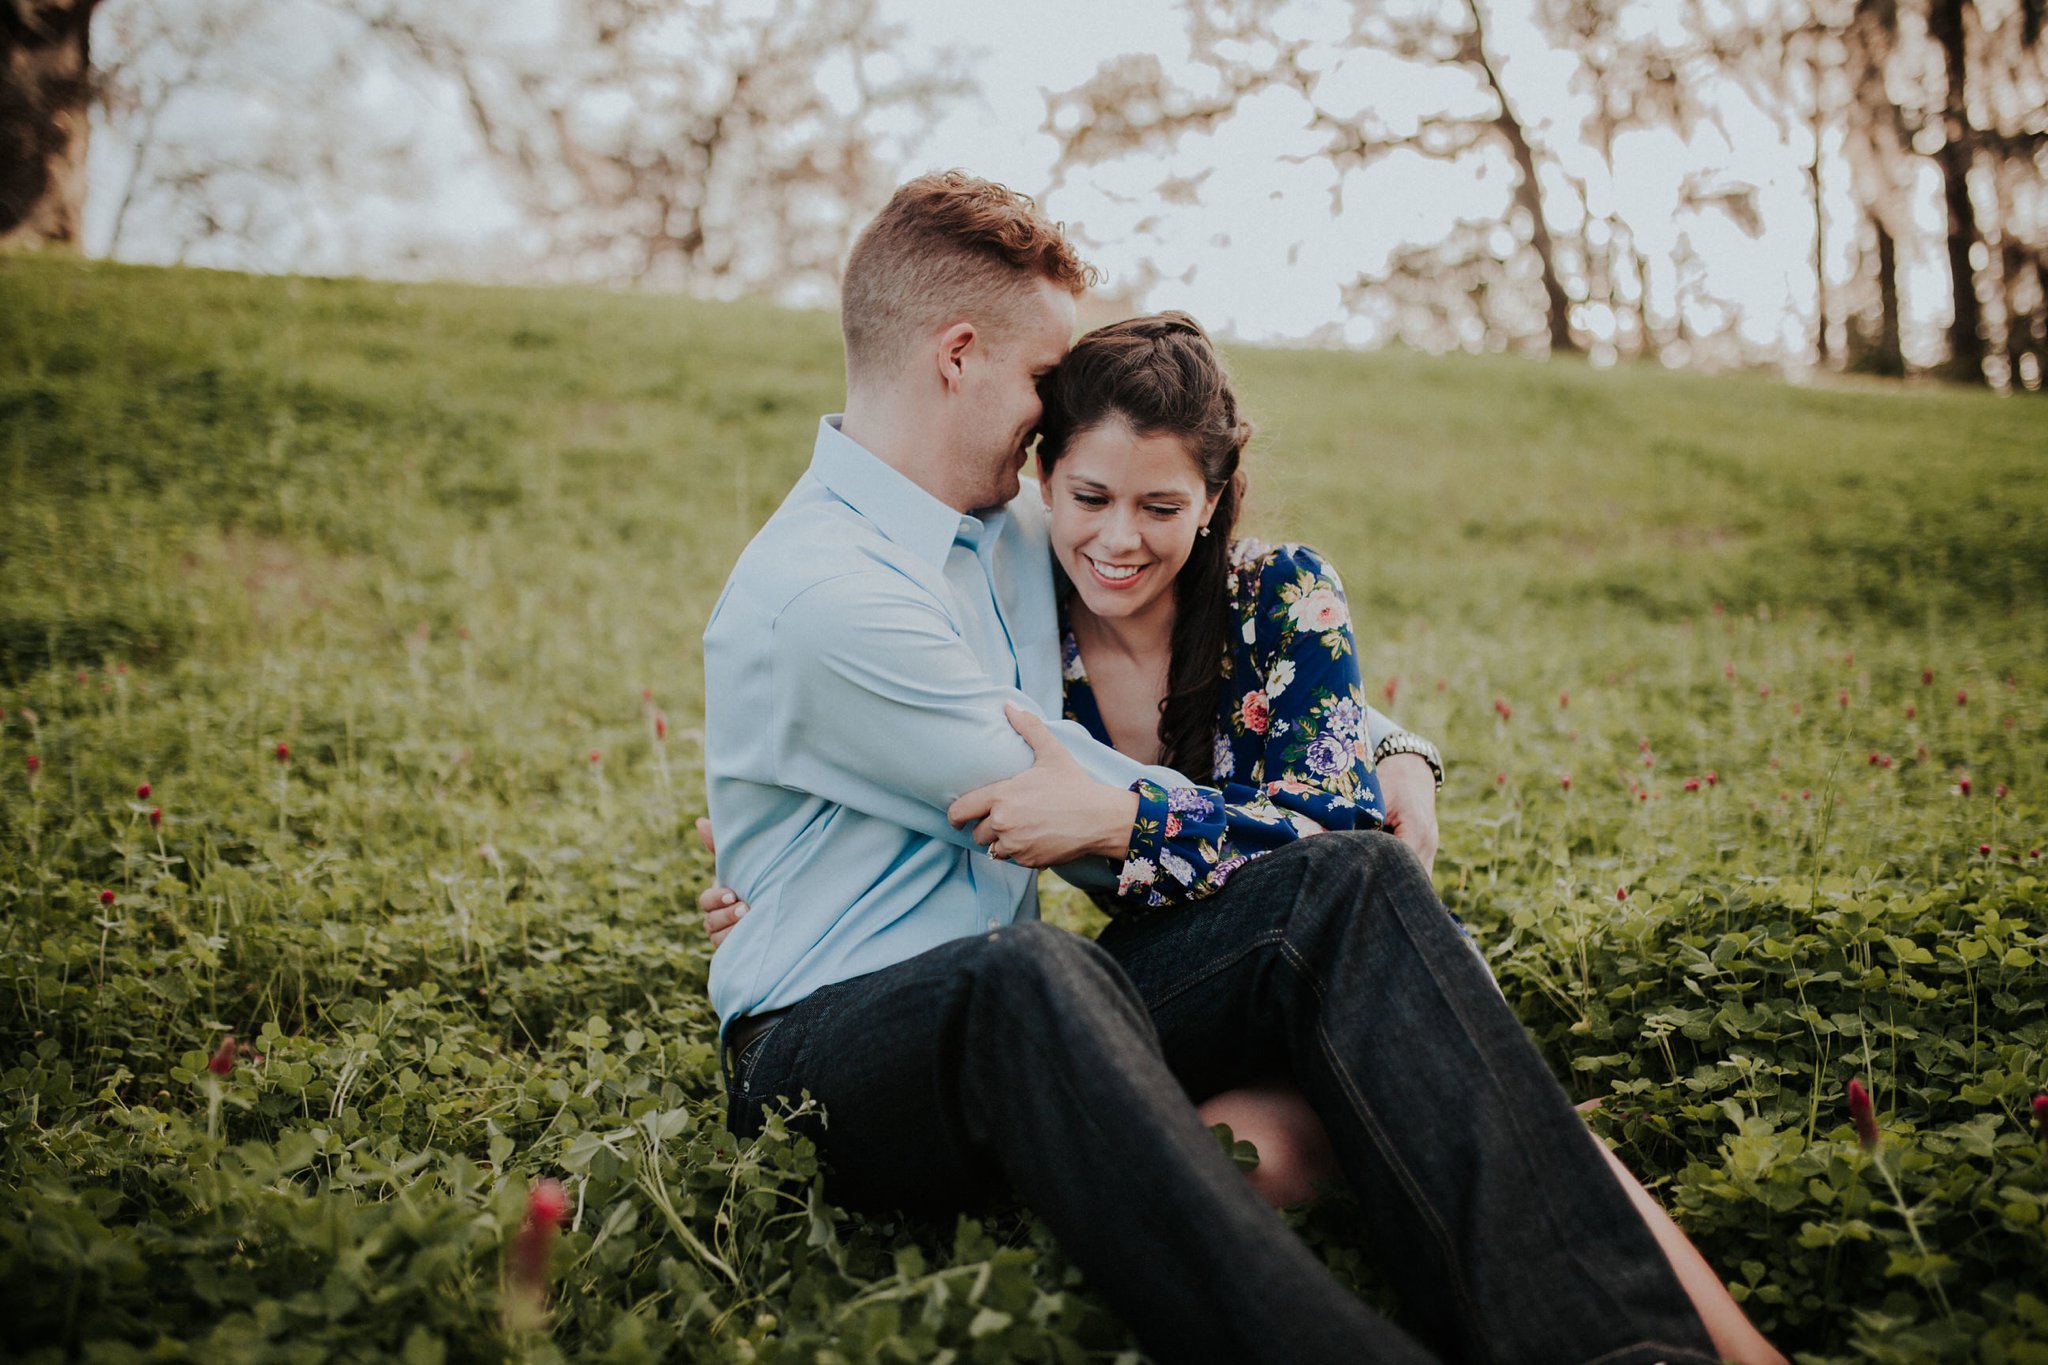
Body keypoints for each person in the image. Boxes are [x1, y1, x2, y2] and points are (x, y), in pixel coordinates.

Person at [701, 168, 1731, 1364]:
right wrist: (1297, 814)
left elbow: (1191, 626)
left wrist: (1380, 745)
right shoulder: (831, 594)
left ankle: (1613, 1346)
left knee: (1345, 883)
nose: (1053, 415)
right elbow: (1071, 793)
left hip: (1033, 1009)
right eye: (1043, 380)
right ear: (957, 354)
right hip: (828, 1052)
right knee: (1028, 971)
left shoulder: (1009, 529)